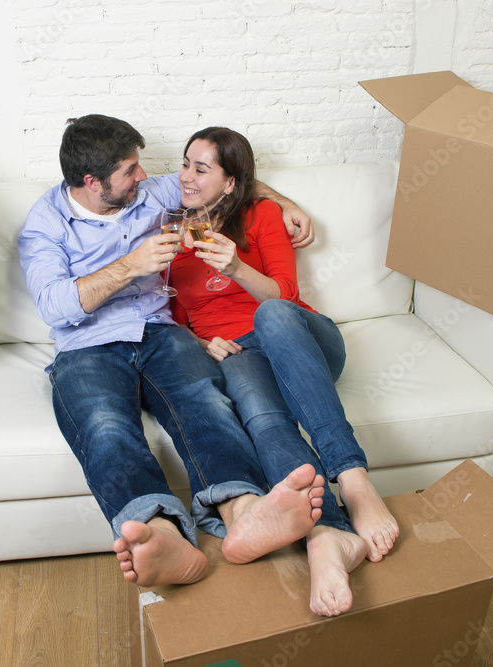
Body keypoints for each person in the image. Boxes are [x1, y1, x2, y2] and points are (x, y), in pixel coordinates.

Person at [18, 114, 324, 589]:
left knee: (204, 402)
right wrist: (130, 266)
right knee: (104, 425)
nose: (144, 175)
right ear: (93, 182)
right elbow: (55, 306)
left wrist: (286, 204)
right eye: (130, 170)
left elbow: (224, 181)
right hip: (89, 345)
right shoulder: (45, 223)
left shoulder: (148, 192)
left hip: (161, 332)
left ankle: (243, 510)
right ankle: (160, 534)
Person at [168, 127, 401, 616]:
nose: (186, 176)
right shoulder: (169, 236)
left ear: (231, 183)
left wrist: (236, 268)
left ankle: (352, 477)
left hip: (298, 338)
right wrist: (202, 343)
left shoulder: (261, 214)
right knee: (262, 417)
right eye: (185, 163)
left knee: (271, 315)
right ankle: (328, 535)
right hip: (238, 352)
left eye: (201, 168)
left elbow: (286, 296)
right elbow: (172, 320)